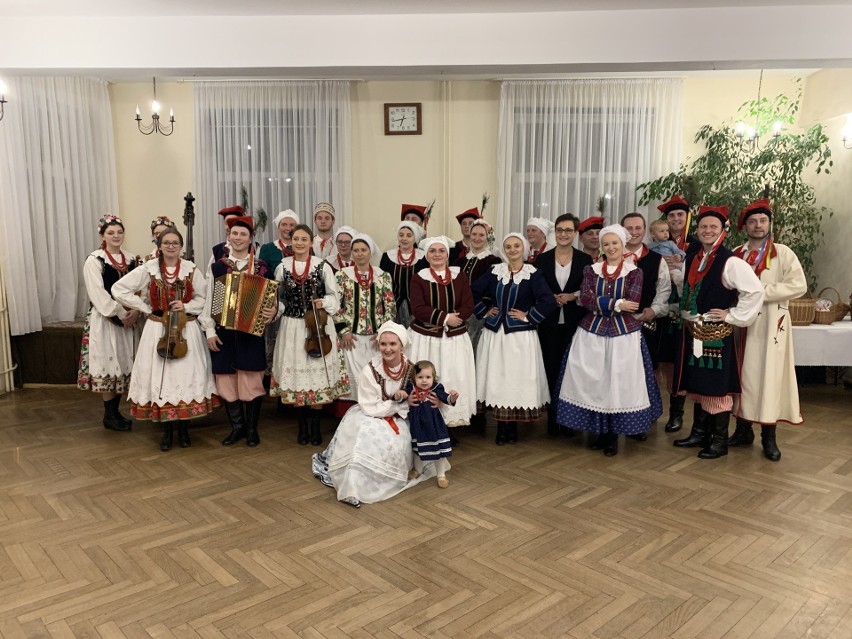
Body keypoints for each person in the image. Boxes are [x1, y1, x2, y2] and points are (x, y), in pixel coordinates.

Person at [554, 225, 662, 456]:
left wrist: (605, 302)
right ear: (602, 246)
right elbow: (585, 298)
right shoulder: (591, 270)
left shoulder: (635, 272)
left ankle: (613, 435)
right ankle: (599, 432)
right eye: (607, 243)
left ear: (623, 245)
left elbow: (632, 301)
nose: (611, 247)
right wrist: (615, 303)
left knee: (619, 384)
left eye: (615, 243)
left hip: (624, 337)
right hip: (591, 334)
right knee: (595, 384)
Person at [112, 228, 219, 451]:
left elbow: (204, 298)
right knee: (162, 379)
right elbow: (118, 288)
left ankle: (184, 430)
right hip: (157, 329)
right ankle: (167, 432)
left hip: (185, 329)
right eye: (167, 243)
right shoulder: (148, 269)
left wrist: (186, 306)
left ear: (181, 247)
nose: (171, 246)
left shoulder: (191, 269)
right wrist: (143, 307)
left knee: (184, 376)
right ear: (159, 246)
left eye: (175, 243)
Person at [671, 205, 764, 459]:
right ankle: (700, 433)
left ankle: (719, 441)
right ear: (697, 230)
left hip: (715, 334)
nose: (707, 231)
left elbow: (755, 291)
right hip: (693, 331)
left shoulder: (730, 261)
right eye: (703, 227)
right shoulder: (694, 256)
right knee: (698, 384)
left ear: (723, 230)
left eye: (713, 227)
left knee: (716, 386)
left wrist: (732, 315)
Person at [311, 321, 430, 508]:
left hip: (401, 420)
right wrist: (396, 405)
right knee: (361, 437)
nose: (388, 349)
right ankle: (352, 486)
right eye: (383, 344)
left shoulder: (413, 371)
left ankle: (376, 481)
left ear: (402, 345)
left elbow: (420, 399)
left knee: (391, 444)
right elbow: (369, 405)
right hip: (370, 415)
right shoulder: (370, 369)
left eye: (393, 344)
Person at [730, 198, 807, 461]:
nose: (758, 225)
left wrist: (762, 292)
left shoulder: (783, 253)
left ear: (769, 224)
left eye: (763, 221)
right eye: (752, 221)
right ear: (745, 226)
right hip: (742, 324)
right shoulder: (737, 254)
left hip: (771, 324)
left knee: (769, 377)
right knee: (742, 377)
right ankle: (743, 430)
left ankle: (769, 437)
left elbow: (798, 285)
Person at [200, 216, 279, 448]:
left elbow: (273, 301)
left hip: (251, 332)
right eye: (234, 234)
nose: (238, 238)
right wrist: (209, 332)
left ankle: (252, 429)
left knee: (252, 380)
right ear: (228, 237)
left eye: (243, 234)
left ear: (250, 238)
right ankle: (237, 428)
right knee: (226, 380)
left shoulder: (261, 267)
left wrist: (272, 311)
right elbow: (209, 301)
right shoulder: (218, 266)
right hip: (223, 331)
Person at [472, 233, 556, 445]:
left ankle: (513, 428)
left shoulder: (533, 273)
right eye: (508, 246)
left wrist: (528, 316)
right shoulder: (494, 271)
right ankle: (501, 428)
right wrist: (484, 310)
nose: (512, 250)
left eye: (516, 246)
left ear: (524, 248)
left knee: (515, 380)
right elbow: (471, 291)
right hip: (495, 336)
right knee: (498, 380)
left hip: (520, 338)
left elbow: (548, 301)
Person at [271, 224, 350, 445]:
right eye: (295, 239)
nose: (299, 243)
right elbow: (278, 300)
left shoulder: (322, 266)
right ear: (291, 241)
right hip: (292, 327)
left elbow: (335, 299)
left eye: (304, 239)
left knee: (316, 376)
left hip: (317, 327)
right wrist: (274, 311)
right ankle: (302, 427)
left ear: (311, 242)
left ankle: (315, 427)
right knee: (298, 378)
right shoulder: (282, 267)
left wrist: (323, 302)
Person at [77, 214, 142, 431]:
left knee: (123, 363)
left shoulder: (132, 259)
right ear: (102, 235)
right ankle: (110, 414)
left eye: (119, 232)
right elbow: (99, 294)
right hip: (106, 321)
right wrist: (121, 313)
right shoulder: (95, 260)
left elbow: (139, 289)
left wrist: (136, 311)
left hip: (129, 320)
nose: (116, 236)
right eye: (111, 232)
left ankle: (115, 413)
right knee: (108, 364)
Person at [409, 236, 477, 433]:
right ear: (427, 255)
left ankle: (450, 424)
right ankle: (428, 422)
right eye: (432, 251)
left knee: (454, 376)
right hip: (427, 339)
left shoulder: (460, 275)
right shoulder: (419, 277)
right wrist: (445, 318)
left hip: (455, 339)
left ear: (447, 254)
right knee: (427, 379)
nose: (437, 254)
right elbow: (418, 308)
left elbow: (468, 305)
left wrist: (457, 318)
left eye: (441, 251)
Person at [533, 214, 593, 436]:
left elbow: (589, 288)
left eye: (568, 230)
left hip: (575, 322)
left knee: (572, 370)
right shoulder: (542, 259)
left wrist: (572, 296)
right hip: (548, 322)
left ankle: (569, 420)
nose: (564, 234)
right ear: (554, 232)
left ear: (576, 233)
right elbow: (536, 288)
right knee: (550, 368)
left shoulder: (585, 260)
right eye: (560, 229)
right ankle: (552, 419)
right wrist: (551, 297)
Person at [621, 213, 672, 440]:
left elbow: (664, 290)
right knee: (619, 372)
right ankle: (616, 417)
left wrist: (653, 310)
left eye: (638, 227)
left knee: (643, 373)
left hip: (645, 324)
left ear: (645, 230)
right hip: (616, 326)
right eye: (629, 227)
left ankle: (641, 421)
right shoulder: (610, 255)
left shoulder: (656, 259)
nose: (634, 231)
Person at [655, 195, 700, 434]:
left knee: (682, 362)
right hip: (662, 309)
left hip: (686, 310)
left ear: (687, 218)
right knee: (661, 362)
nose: (675, 219)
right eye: (671, 215)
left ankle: (678, 414)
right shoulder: (657, 242)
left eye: (680, 215)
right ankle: (657, 411)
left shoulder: (696, 243)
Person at [335, 233, 396, 403]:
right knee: (351, 376)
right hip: (350, 337)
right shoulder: (342, 275)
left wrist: (383, 333)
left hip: (375, 338)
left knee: (374, 375)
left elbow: (390, 306)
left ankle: (374, 412)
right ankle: (351, 415)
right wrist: (344, 331)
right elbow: (335, 306)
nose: (359, 254)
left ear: (371, 252)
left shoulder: (382, 276)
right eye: (356, 250)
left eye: (363, 250)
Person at [405, 360, 458, 488]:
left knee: (437, 450)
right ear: (414, 378)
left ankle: (441, 474)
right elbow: (403, 397)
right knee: (418, 449)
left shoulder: (436, 388)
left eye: (428, 377)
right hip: (418, 425)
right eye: (420, 377)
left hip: (434, 425)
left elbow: (445, 398)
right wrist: (400, 395)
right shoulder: (411, 388)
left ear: (433, 377)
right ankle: (417, 470)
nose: (424, 381)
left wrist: (452, 398)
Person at [380, 221, 426, 327]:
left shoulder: (423, 258)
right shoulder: (387, 257)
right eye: (401, 235)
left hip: (417, 308)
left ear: (415, 238)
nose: (404, 238)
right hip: (392, 307)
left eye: (409, 235)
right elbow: (382, 284)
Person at [258, 209, 299, 276]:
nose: (288, 228)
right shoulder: (268, 248)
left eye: (292, 225)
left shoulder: (304, 247)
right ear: (278, 227)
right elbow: (262, 276)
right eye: (284, 225)